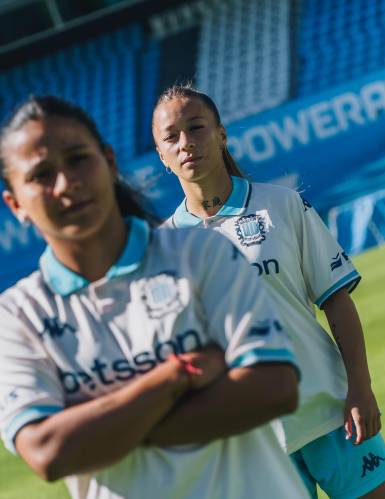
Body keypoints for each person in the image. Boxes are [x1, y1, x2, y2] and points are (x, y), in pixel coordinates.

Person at [0, 95, 311, 499]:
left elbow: (273, 389)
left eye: (78, 159)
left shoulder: (201, 254)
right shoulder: (17, 316)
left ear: (109, 162)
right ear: (15, 204)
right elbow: (48, 452)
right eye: (41, 174)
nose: (66, 183)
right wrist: (174, 376)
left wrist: (100, 432)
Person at [151, 84, 385, 499]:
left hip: (333, 414)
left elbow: (336, 300)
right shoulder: (162, 250)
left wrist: (360, 387)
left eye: (196, 127)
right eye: (171, 137)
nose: (186, 143)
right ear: (162, 156)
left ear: (221, 135)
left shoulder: (281, 205)